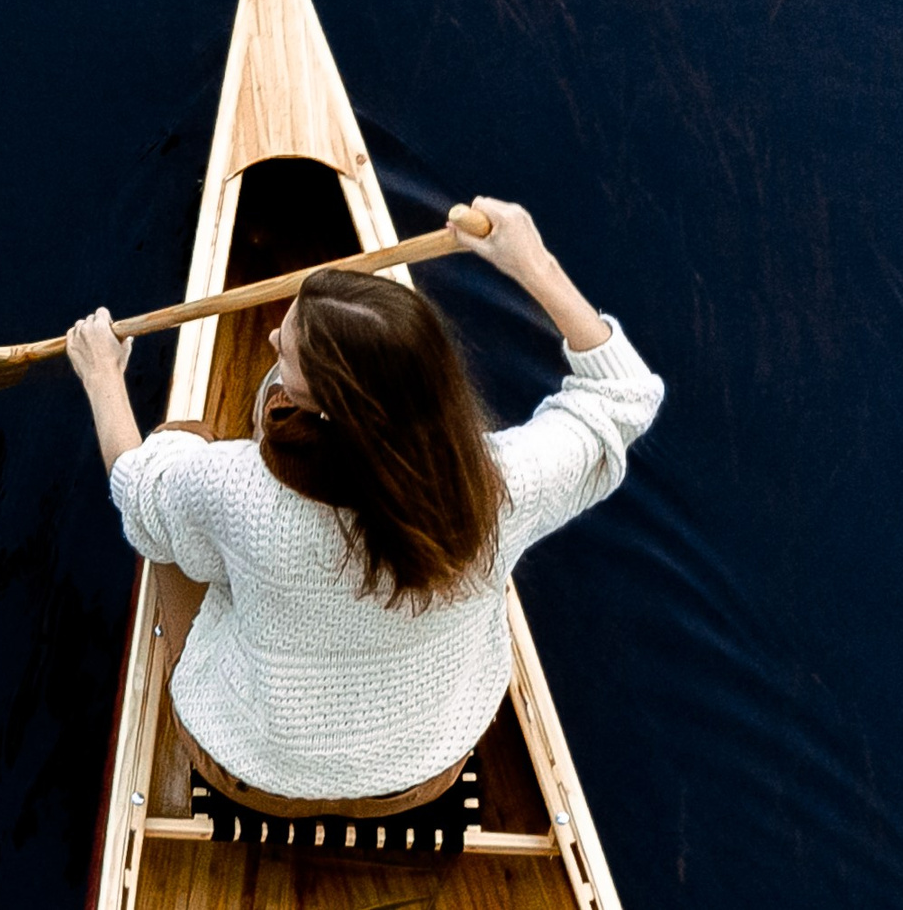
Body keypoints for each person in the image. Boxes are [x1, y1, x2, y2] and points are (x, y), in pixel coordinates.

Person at [65, 197, 664, 815]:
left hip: (251, 772)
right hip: (425, 772)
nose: (271, 334)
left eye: (288, 352)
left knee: (172, 449)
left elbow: (134, 489)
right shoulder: (500, 484)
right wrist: (532, 262)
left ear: (331, 407)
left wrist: (102, 376)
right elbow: (624, 397)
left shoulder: (236, 489)